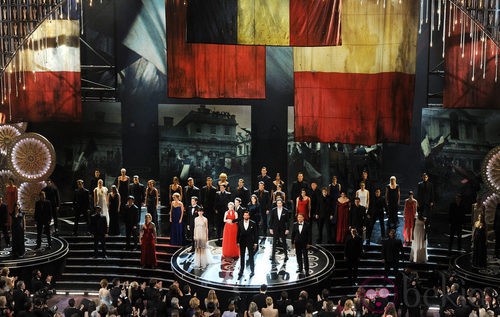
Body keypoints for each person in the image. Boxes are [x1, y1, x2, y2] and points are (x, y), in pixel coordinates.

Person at [237, 210, 258, 279]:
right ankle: (241, 270)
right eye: (245, 215)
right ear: (243, 216)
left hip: (250, 242)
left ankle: (252, 270)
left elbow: (256, 234)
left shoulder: (253, 223)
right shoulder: (239, 223)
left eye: (247, 215)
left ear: (249, 216)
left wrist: (255, 243)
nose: (246, 216)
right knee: (242, 257)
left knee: (251, 257)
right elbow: (238, 233)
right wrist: (237, 242)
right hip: (242, 242)